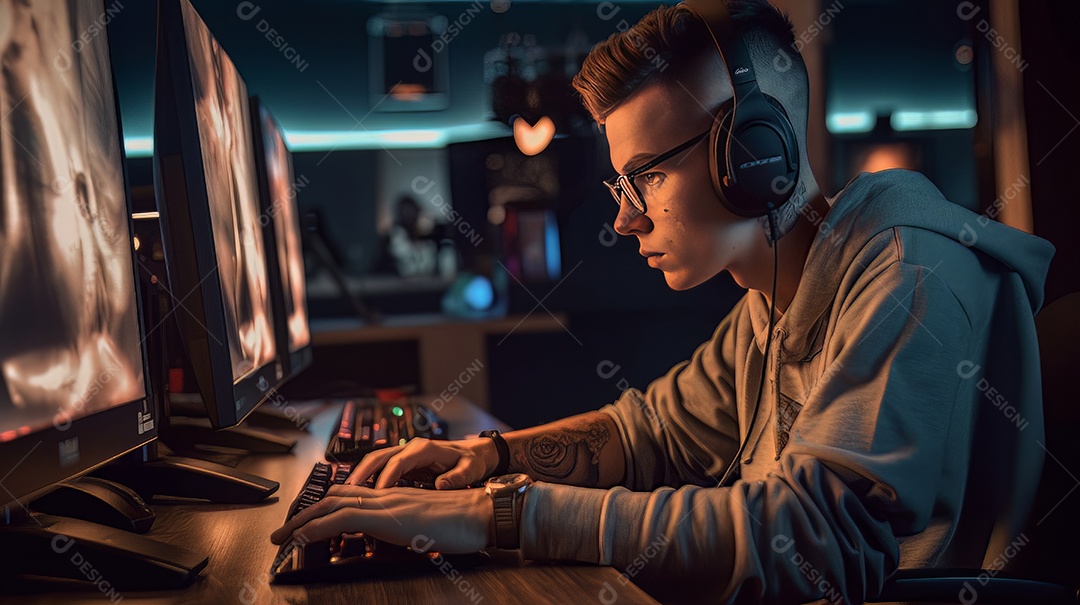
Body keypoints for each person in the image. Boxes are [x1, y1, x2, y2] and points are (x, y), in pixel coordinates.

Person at [272, 1, 1055, 602]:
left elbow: (812, 541)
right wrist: (488, 458)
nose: (622, 217)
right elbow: (651, 432)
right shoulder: (768, 308)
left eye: (645, 176)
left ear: (753, 155)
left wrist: (496, 515)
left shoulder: (906, 270)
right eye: (621, 183)